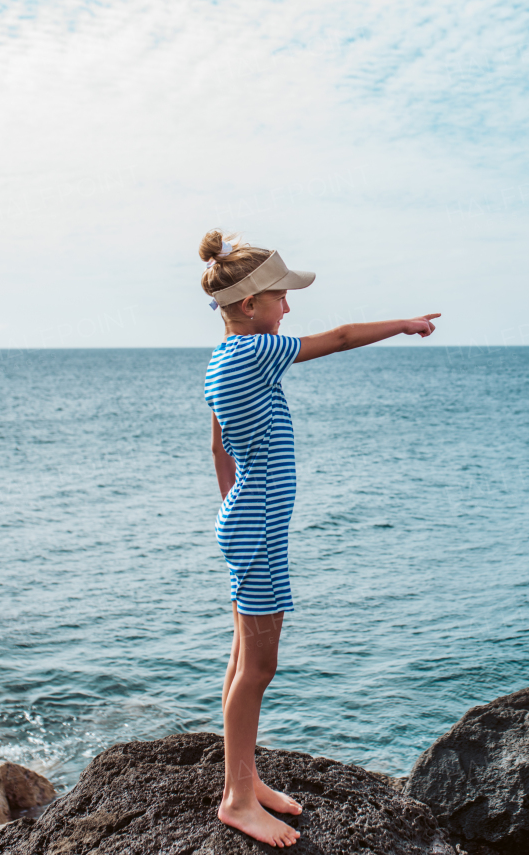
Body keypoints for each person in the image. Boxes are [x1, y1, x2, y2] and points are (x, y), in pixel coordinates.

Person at [199, 229, 439, 847]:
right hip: (256, 531)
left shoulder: (224, 358)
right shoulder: (258, 350)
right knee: (259, 667)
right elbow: (338, 339)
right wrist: (405, 324)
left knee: (240, 661)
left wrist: (235, 504)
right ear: (250, 307)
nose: (289, 308)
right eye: (281, 297)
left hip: (248, 525)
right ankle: (235, 799)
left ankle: (246, 783)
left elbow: (219, 442)